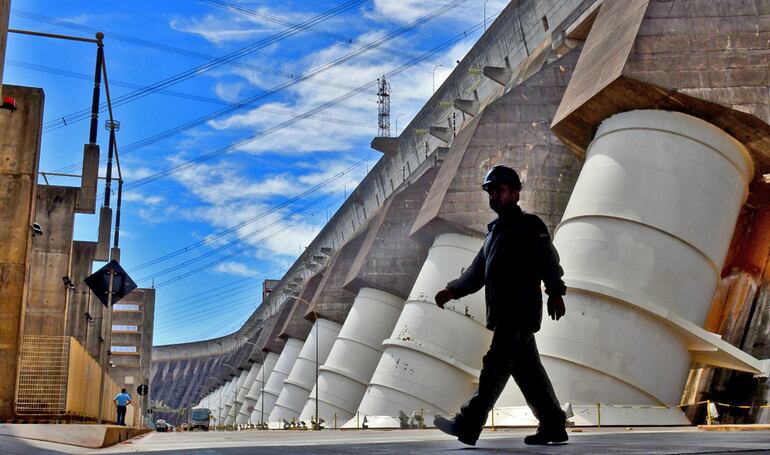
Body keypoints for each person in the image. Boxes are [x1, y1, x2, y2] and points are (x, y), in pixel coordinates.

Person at [433, 164, 568, 446]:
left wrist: (556, 291)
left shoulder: (530, 225)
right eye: (491, 192)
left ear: (516, 193)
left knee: (494, 367)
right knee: (529, 374)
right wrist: (451, 290)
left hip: (519, 312)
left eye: (499, 190)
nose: (494, 196)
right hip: (504, 314)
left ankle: (468, 424)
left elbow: (548, 260)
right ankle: (554, 425)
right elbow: (476, 273)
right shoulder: (493, 234)